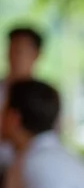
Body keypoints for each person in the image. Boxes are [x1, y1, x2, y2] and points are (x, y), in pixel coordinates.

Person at [0, 27, 44, 170]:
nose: (14, 57)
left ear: (36, 54)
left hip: (29, 169)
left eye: (20, 51)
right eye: (11, 51)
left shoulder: (44, 97)